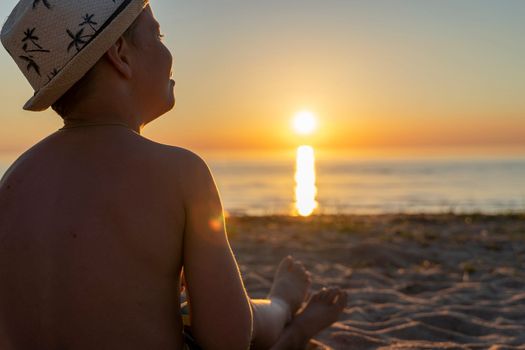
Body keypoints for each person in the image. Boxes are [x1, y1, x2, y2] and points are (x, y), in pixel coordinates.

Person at [0, 1, 347, 349]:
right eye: (158, 34)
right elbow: (227, 338)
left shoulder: (12, 181)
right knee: (235, 317)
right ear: (120, 54)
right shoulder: (182, 172)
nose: (169, 52)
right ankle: (284, 313)